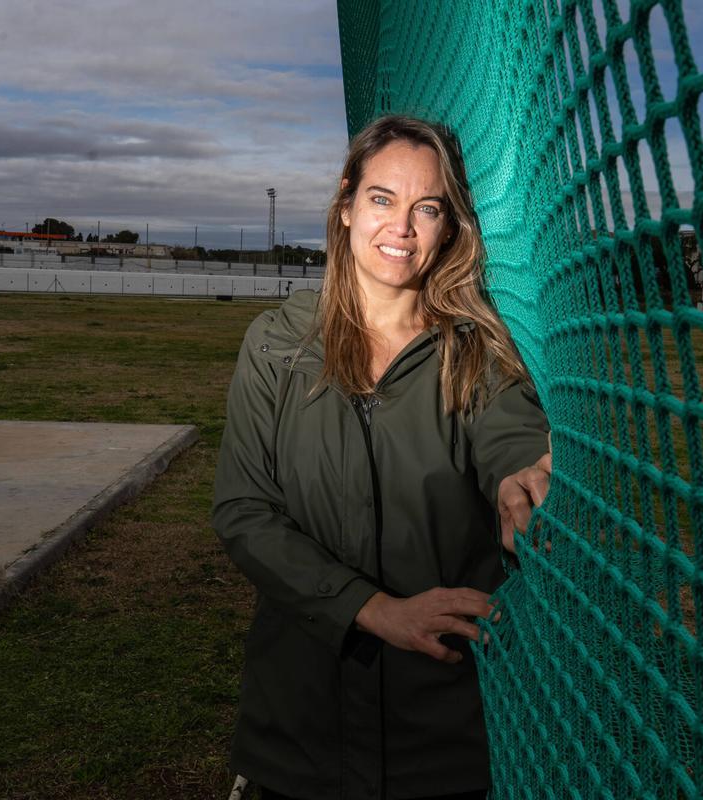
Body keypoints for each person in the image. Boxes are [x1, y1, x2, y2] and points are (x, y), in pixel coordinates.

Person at [212, 114, 552, 800]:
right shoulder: (276, 344)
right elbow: (244, 511)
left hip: (441, 742)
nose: (402, 227)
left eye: (427, 208)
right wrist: (370, 609)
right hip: (300, 730)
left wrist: (526, 474)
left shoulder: (474, 351)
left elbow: (511, 438)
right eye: (382, 199)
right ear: (345, 205)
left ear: (448, 228)